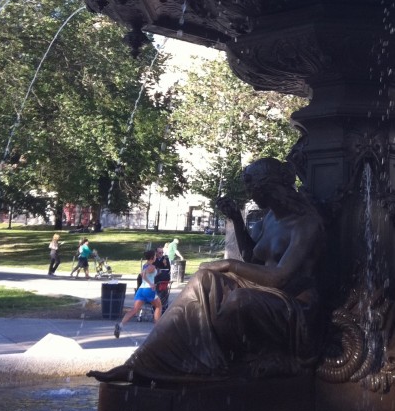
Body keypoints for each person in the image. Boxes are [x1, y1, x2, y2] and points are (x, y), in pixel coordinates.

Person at [91, 158, 325, 383]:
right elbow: (252, 258)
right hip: (265, 290)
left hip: (293, 302)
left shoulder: (306, 224)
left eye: (253, 188)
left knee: (238, 300)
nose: (250, 194)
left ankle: (214, 365)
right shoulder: (270, 218)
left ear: (270, 186)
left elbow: (280, 277)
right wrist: (237, 220)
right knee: (204, 278)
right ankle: (142, 364)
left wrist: (229, 264)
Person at [114, 250, 161, 336]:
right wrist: (151, 284)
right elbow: (143, 275)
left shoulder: (145, 265)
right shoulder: (152, 267)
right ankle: (157, 330)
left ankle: (120, 325)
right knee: (158, 306)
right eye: (155, 255)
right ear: (152, 257)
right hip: (148, 289)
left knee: (134, 310)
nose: (156, 257)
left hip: (141, 290)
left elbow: (144, 274)